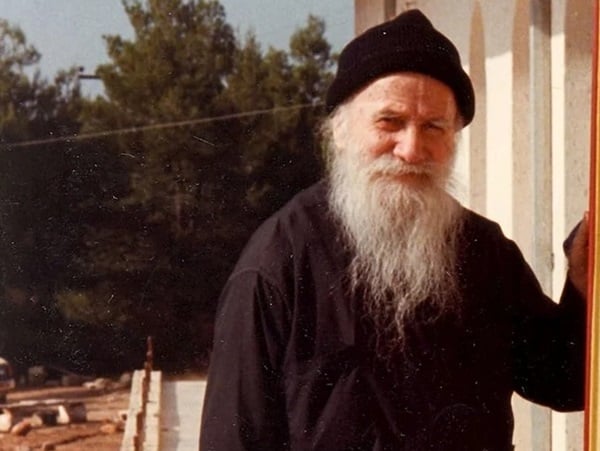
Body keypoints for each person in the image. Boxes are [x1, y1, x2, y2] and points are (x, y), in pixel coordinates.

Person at [200, 9, 588, 451]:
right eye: (390, 122)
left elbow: (563, 380)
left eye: (433, 127)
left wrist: (581, 286)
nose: (411, 148)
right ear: (339, 131)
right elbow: (232, 440)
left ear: (453, 139)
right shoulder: (277, 264)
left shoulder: (485, 252)